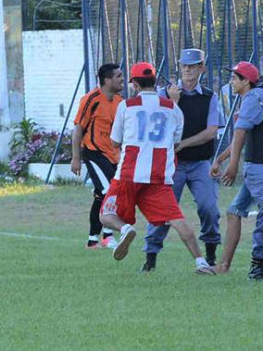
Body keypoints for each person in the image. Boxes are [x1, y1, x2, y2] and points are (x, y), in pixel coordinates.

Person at [98, 62, 214, 274]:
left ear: (134, 84)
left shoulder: (126, 105)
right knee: (176, 218)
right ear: (155, 82)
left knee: (105, 214)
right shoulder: (173, 108)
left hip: (130, 172)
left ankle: (125, 229)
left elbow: (115, 141)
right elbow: (176, 141)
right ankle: (201, 262)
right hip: (159, 174)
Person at [140, 49, 224, 272]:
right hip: (170, 165)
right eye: (184, 65)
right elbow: (152, 123)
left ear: (202, 68)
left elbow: (211, 132)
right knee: (162, 211)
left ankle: (211, 255)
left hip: (199, 163)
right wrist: (171, 101)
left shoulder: (209, 96)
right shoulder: (163, 94)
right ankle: (150, 259)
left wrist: (184, 144)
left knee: (209, 207)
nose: (187, 69)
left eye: (193, 65)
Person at [211, 62, 262, 273]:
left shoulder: (252, 98)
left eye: (234, 78)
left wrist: (232, 166)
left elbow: (241, 133)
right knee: (234, 211)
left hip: (257, 167)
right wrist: (221, 159)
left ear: (246, 81)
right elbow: (238, 138)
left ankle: (258, 265)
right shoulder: (256, 96)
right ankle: (224, 266)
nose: (231, 81)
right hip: (255, 167)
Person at [70, 63, 125, 249]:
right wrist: (76, 157)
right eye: (118, 76)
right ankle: (108, 236)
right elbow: (78, 130)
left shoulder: (120, 102)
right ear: (107, 80)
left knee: (102, 195)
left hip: (112, 155)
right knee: (107, 191)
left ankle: (93, 240)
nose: (122, 79)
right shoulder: (91, 99)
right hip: (93, 153)